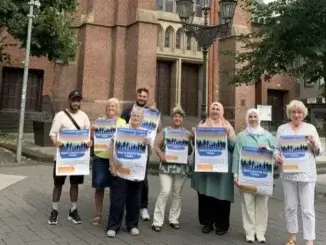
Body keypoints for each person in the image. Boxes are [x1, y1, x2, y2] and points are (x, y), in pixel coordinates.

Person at [275, 100, 322, 245]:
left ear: (304, 114)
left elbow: (319, 152)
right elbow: (277, 148)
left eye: (299, 112)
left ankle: (309, 239)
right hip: (288, 173)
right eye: (294, 112)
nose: (296, 115)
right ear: (289, 113)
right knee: (290, 206)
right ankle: (292, 237)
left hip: (307, 174)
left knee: (307, 209)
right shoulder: (282, 129)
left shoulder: (310, 128)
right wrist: (276, 156)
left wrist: (314, 143)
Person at [191, 102, 236, 235]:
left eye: (218, 109)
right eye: (213, 109)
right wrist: (194, 136)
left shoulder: (227, 126)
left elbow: (234, 146)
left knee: (222, 196)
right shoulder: (202, 125)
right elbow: (196, 144)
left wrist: (229, 136)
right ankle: (207, 223)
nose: (215, 111)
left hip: (222, 169)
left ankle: (222, 224)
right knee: (206, 196)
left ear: (222, 112)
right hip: (206, 168)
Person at [106, 106, 152, 238]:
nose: (135, 118)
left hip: (136, 173)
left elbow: (150, 153)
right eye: (133, 116)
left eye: (138, 116)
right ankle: (113, 226)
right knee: (117, 199)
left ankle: (132, 225)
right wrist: (111, 164)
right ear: (130, 117)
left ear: (142, 119)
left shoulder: (145, 133)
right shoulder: (122, 130)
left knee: (135, 200)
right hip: (120, 171)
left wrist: (149, 144)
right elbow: (111, 146)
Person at [48, 90, 91, 225]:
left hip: (78, 159)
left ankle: (73, 210)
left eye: (78, 101)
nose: (76, 103)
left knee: (75, 184)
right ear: (69, 100)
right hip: (62, 158)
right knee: (58, 184)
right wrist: (55, 142)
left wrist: (90, 142)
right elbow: (53, 134)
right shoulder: (60, 116)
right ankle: (54, 210)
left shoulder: (84, 117)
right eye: (74, 100)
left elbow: (87, 136)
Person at [232, 108, 276, 243]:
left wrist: (269, 150)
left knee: (262, 205)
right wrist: (235, 174)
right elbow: (236, 156)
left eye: (255, 116)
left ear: (259, 118)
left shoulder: (268, 136)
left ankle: (260, 232)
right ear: (247, 119)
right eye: (250, 116)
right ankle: (249, 232)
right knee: (247, 204)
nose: (252, 119)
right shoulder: (241, 136)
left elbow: (277, 153)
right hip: (246, 177)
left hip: (263, 178)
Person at [121, 87, 160, 221]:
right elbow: (121, 129)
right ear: (136, 96)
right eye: (140, 96)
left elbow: (156, 130)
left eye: (144, 96)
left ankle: (143, 207)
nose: (142, 98)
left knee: (142, 179)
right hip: (127, 151)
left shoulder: (151, 113)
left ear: (147, 98)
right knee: (126, 177)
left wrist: (155, 115)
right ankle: (128, 206)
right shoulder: (127, 111)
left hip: (143, 151)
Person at [151, 106, 193, 232]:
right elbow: (157, 146)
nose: (177, 118)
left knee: (177, 193)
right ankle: (157, 221)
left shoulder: (186, 133)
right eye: (175, 116)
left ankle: (173, 219)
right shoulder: (165, 131)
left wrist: (190, 140)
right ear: (172, 118)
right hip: (166, 166)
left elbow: (189, 151)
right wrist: (161, 155)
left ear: (183, 119)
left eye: (180, 116)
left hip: (180, 168)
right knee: (165, 191)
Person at [91, 98, 126, 226]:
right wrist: (92, 129)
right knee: (99, 186)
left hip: (115, 158)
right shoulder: (100, 121)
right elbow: (93, 137)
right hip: (100, 156)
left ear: (118, 109)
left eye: (114, 106)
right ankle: (98, 214)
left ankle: (112, 213)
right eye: (109, 106)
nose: (111, 108)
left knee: (114, 187)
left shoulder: (122, 122)